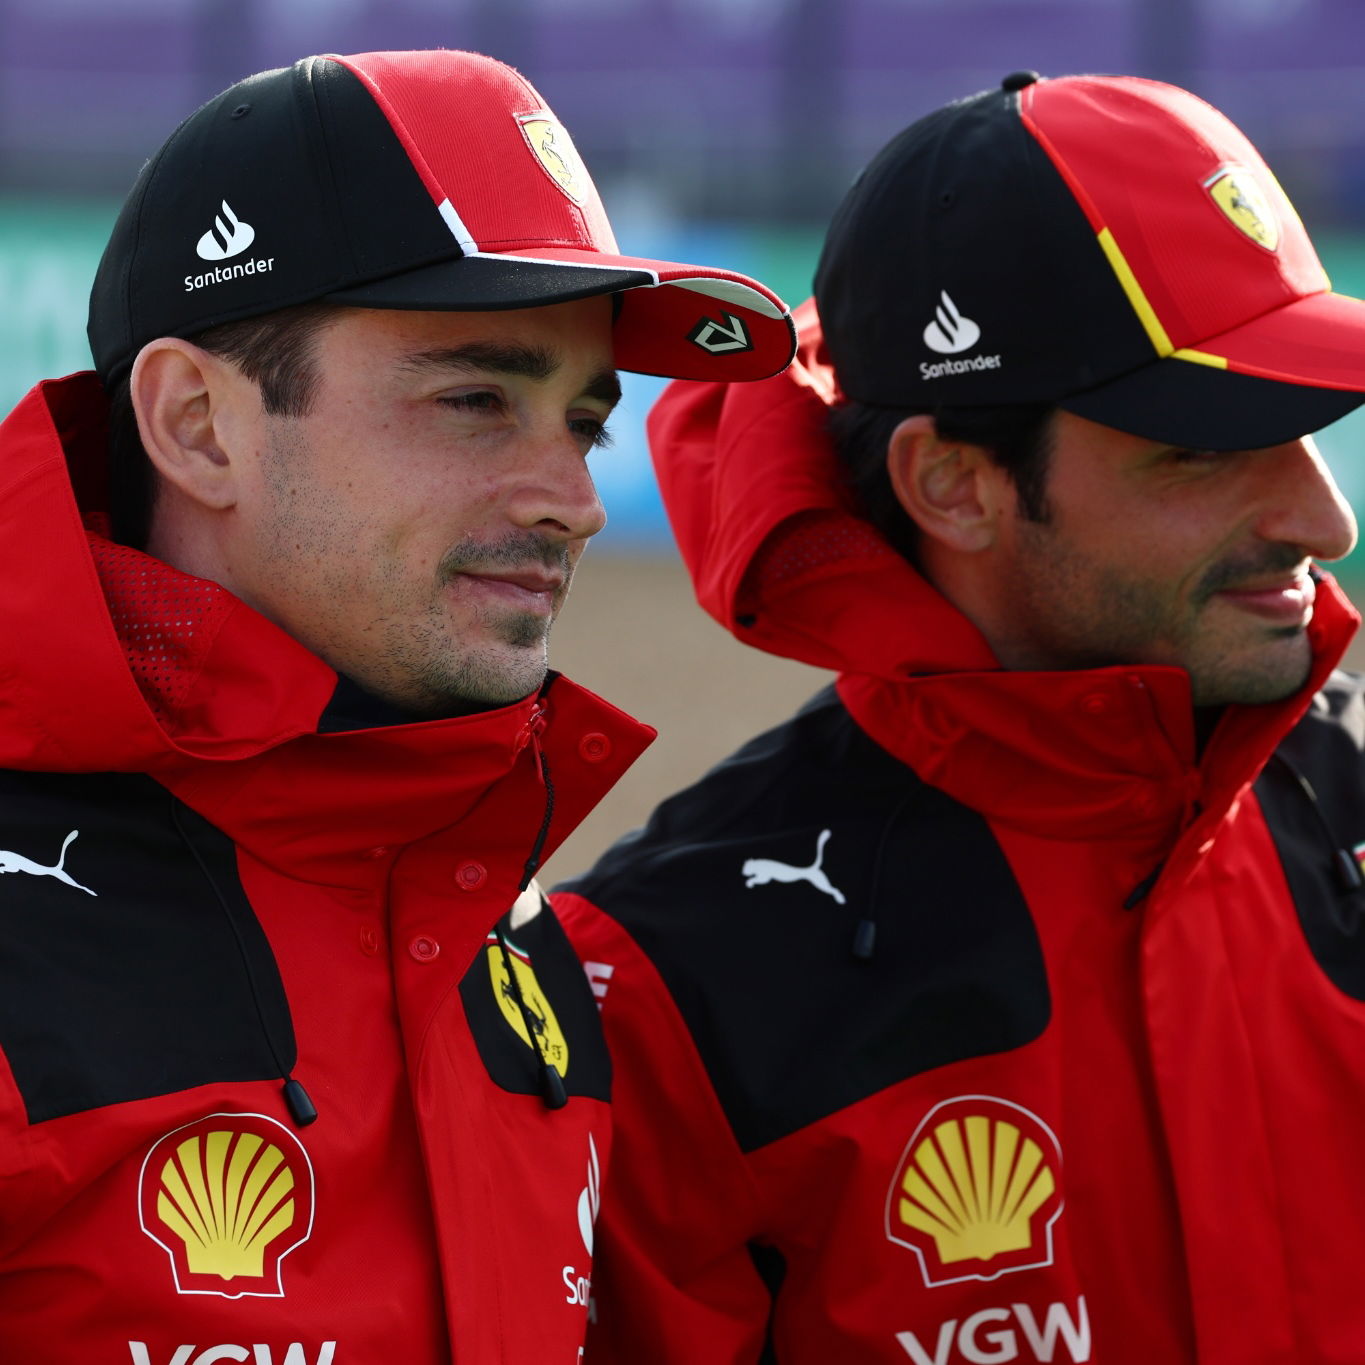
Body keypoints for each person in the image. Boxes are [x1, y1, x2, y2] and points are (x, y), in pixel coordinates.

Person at [553, 71, 1365, 1363]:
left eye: (1312, 424)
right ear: (953, 484)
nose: (1323, 522)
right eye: (1205, 450)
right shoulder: (665, 985)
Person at [0, 48, 794, 1363]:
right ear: (198, 423)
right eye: (476, 400)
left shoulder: (512, 933)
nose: (573, 501)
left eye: (583, 421)